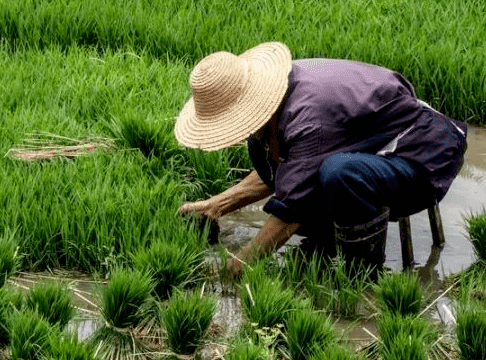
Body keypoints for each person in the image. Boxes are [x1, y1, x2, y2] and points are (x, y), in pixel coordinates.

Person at [174, 42, 467, 278]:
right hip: (375, 141)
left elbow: (293, 207)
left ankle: (359, 278)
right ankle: (329, 242)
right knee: (259, 147)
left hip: (424, 154)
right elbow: (293, 168)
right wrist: (217, 205)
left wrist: (237, 265)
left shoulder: (307, 119)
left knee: (340, 174)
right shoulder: (283, 92)